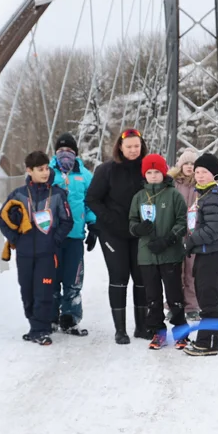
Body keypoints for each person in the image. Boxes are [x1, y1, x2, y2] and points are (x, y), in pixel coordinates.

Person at [0, 150, 75, 346]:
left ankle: (41, 329)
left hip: (47, 255)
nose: (45, 172)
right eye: (40, 169)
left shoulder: (57, 194)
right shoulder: (19, 194)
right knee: (27, 292)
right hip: (24, 255)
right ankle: (34, 327)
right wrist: (16, 239)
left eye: (47, 168)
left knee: (43, 292)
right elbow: (1, 217)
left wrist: (54, 241)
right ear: (29, 170)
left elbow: (67, 221)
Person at [85, 128, 150, 344]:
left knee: (141, 278)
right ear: (120, 148)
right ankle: (120, 329)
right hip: (113, 234)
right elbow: (92, 198)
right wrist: (108, 219)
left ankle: (142, 327)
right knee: (119, 277)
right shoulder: (106, 170)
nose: (133, 150)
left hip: (140, 233)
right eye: (129, 146)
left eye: (136, 146)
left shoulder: (147, 169)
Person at [128, 153, 189, 350]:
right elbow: (132, 221)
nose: (153, 176)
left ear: (164, 172)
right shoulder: (139, 197)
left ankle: (180, 331)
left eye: (157, 172)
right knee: (152, 297)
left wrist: (169, 239)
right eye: (149, 172)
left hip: (169, 253)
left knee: (174, 296)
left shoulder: (174, 195)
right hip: (147, 255)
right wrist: (137, 229)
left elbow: (182, 221)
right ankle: (157, 332)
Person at [182, 153, 218, 357]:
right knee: (205, 297)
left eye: (205, 172)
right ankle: (213, 339)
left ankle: (207, 342)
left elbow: (214, 230)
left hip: (212, 254)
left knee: (208, 299)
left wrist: (190, 240)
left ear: (215, 174)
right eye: (197, 172)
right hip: (204, 253)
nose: (200, 176)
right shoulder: (204, 194)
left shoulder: (214, 196)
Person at [49, 132, 96, 336]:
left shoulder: (85, 175)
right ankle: (49, 316)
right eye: (60, 150)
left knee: (73, 278)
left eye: (69, 150)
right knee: (50, 277)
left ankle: (69, 318)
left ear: (76, 153)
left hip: (75, 236)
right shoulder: (47, 173)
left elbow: (91, 201)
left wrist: (93, 224)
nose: (64, 154)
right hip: (51, 236)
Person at [167, 148, 200, 320]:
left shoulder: (200, 184)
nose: (189, 166)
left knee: (191, 272)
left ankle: (192, 306)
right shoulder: (173, 183)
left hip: (193, 234)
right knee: (175, 271)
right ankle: (174, 305)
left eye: (192, 163)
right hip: (176, 233)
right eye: (185, 163)